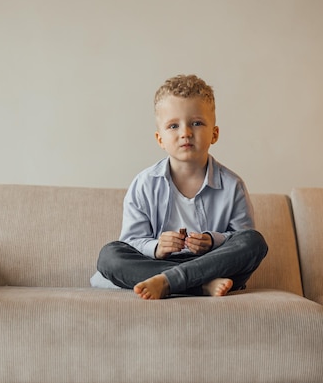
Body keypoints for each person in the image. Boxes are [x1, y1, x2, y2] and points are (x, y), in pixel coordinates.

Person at [94, 74, 268, 300]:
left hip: (212, 264)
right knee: (109, 255)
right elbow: (131, 241)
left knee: (253, 241)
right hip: (155, 264)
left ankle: (171, 282)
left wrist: (212, 241)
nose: (185, 132)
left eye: (196, 123)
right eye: (173, 125)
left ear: (214, 134)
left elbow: (239, 239)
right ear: (160, 139)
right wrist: (157, 247)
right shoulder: (144, 184)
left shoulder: (232, 185)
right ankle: (199, 286)